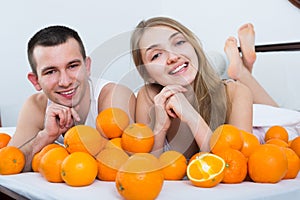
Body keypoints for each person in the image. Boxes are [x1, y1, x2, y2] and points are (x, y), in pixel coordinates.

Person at [130, 16, 289, 159]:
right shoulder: (149, 97)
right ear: (147, 74)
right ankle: (241, 69)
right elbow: (148, 165)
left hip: (262, 128)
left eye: (179, 42)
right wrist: (159, 128)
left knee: (279, 113)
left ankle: (242, 71)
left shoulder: (236, 93)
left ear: (193, 46)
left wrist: (192, 117)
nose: (172, 57)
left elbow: (232, 165)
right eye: (156, 55)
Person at [8, 25, 136, 172]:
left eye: (72, 66)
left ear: (87, 67)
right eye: (51, 72)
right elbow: (8, 164)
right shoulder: (36, 106)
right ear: (35, 81)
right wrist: (46, 136)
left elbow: (111, 165)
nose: (65, 81)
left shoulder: (114, 96)